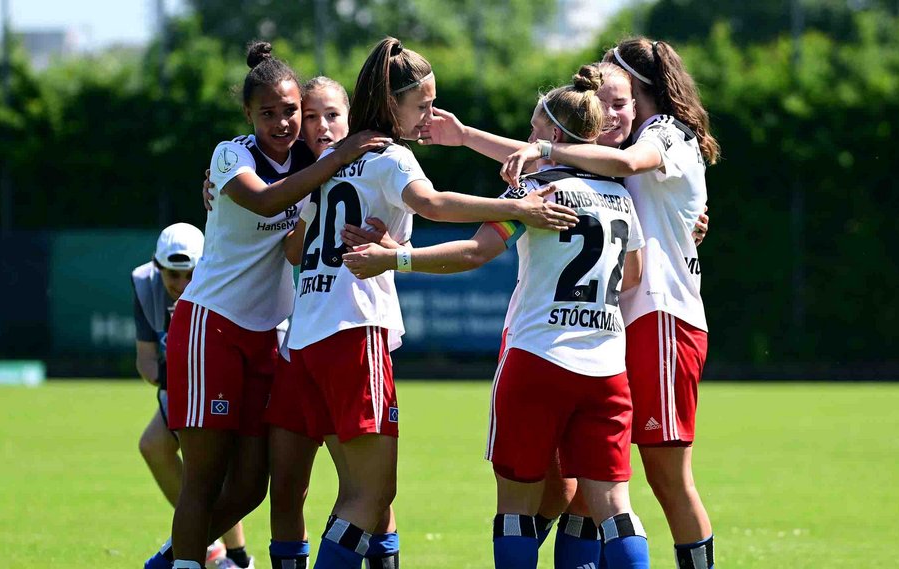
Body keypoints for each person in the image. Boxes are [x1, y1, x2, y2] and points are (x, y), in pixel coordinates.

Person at [419, 37, 720, 569]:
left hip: (654, 318)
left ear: (642, 93)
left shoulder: (661, 136)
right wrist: (468, 136)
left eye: (618, 99)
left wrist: (395, 259)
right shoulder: (609, 179)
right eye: (600, 101)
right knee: (589, 492)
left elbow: (498, 218)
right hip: (608, 335)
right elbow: (546, 154)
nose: (607, 111)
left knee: (661, 479)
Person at [285, 36, 580, 569]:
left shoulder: (333, 157)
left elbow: (296, 244)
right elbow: (434, 204)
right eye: (421, 105)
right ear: (392, 102)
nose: (428, 116)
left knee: (360, 495)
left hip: (307, 333)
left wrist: (390, 247)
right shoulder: (389, 156)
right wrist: (520, 208)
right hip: (353, 332)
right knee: (370, 497)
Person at [342, 66, 652, 569]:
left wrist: (392, 257)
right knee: (616, 509)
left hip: (538, 360)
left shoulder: (534, 193)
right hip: (606, 369)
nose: (527, 141)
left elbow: (472, 254)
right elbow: (633, 275)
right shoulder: (620, 198)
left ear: (552, 135)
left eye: (533, 130)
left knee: (515, 509)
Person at [145, 40, 392, 569]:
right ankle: (184, 561)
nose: (283, 123)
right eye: (268, 113)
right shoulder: (231, 155)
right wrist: (337, 158)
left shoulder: (316, 158)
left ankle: (169, 559)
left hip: (269, 336)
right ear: (248, 115)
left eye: (291, 112)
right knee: (205, 477)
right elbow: (264, 199)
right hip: (210, 324)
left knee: (253, 486)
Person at [132, 223, 251, 569]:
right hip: (178, 385)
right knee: (154, 446)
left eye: (189, 274)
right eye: (173, 275)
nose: (182, 285)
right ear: (158, 268)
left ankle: (237, 555)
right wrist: (173, 384)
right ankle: (214, 545)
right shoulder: (144, 285)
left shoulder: (222, 284)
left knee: (216, 470)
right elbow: (146, 359)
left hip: (221, 382)